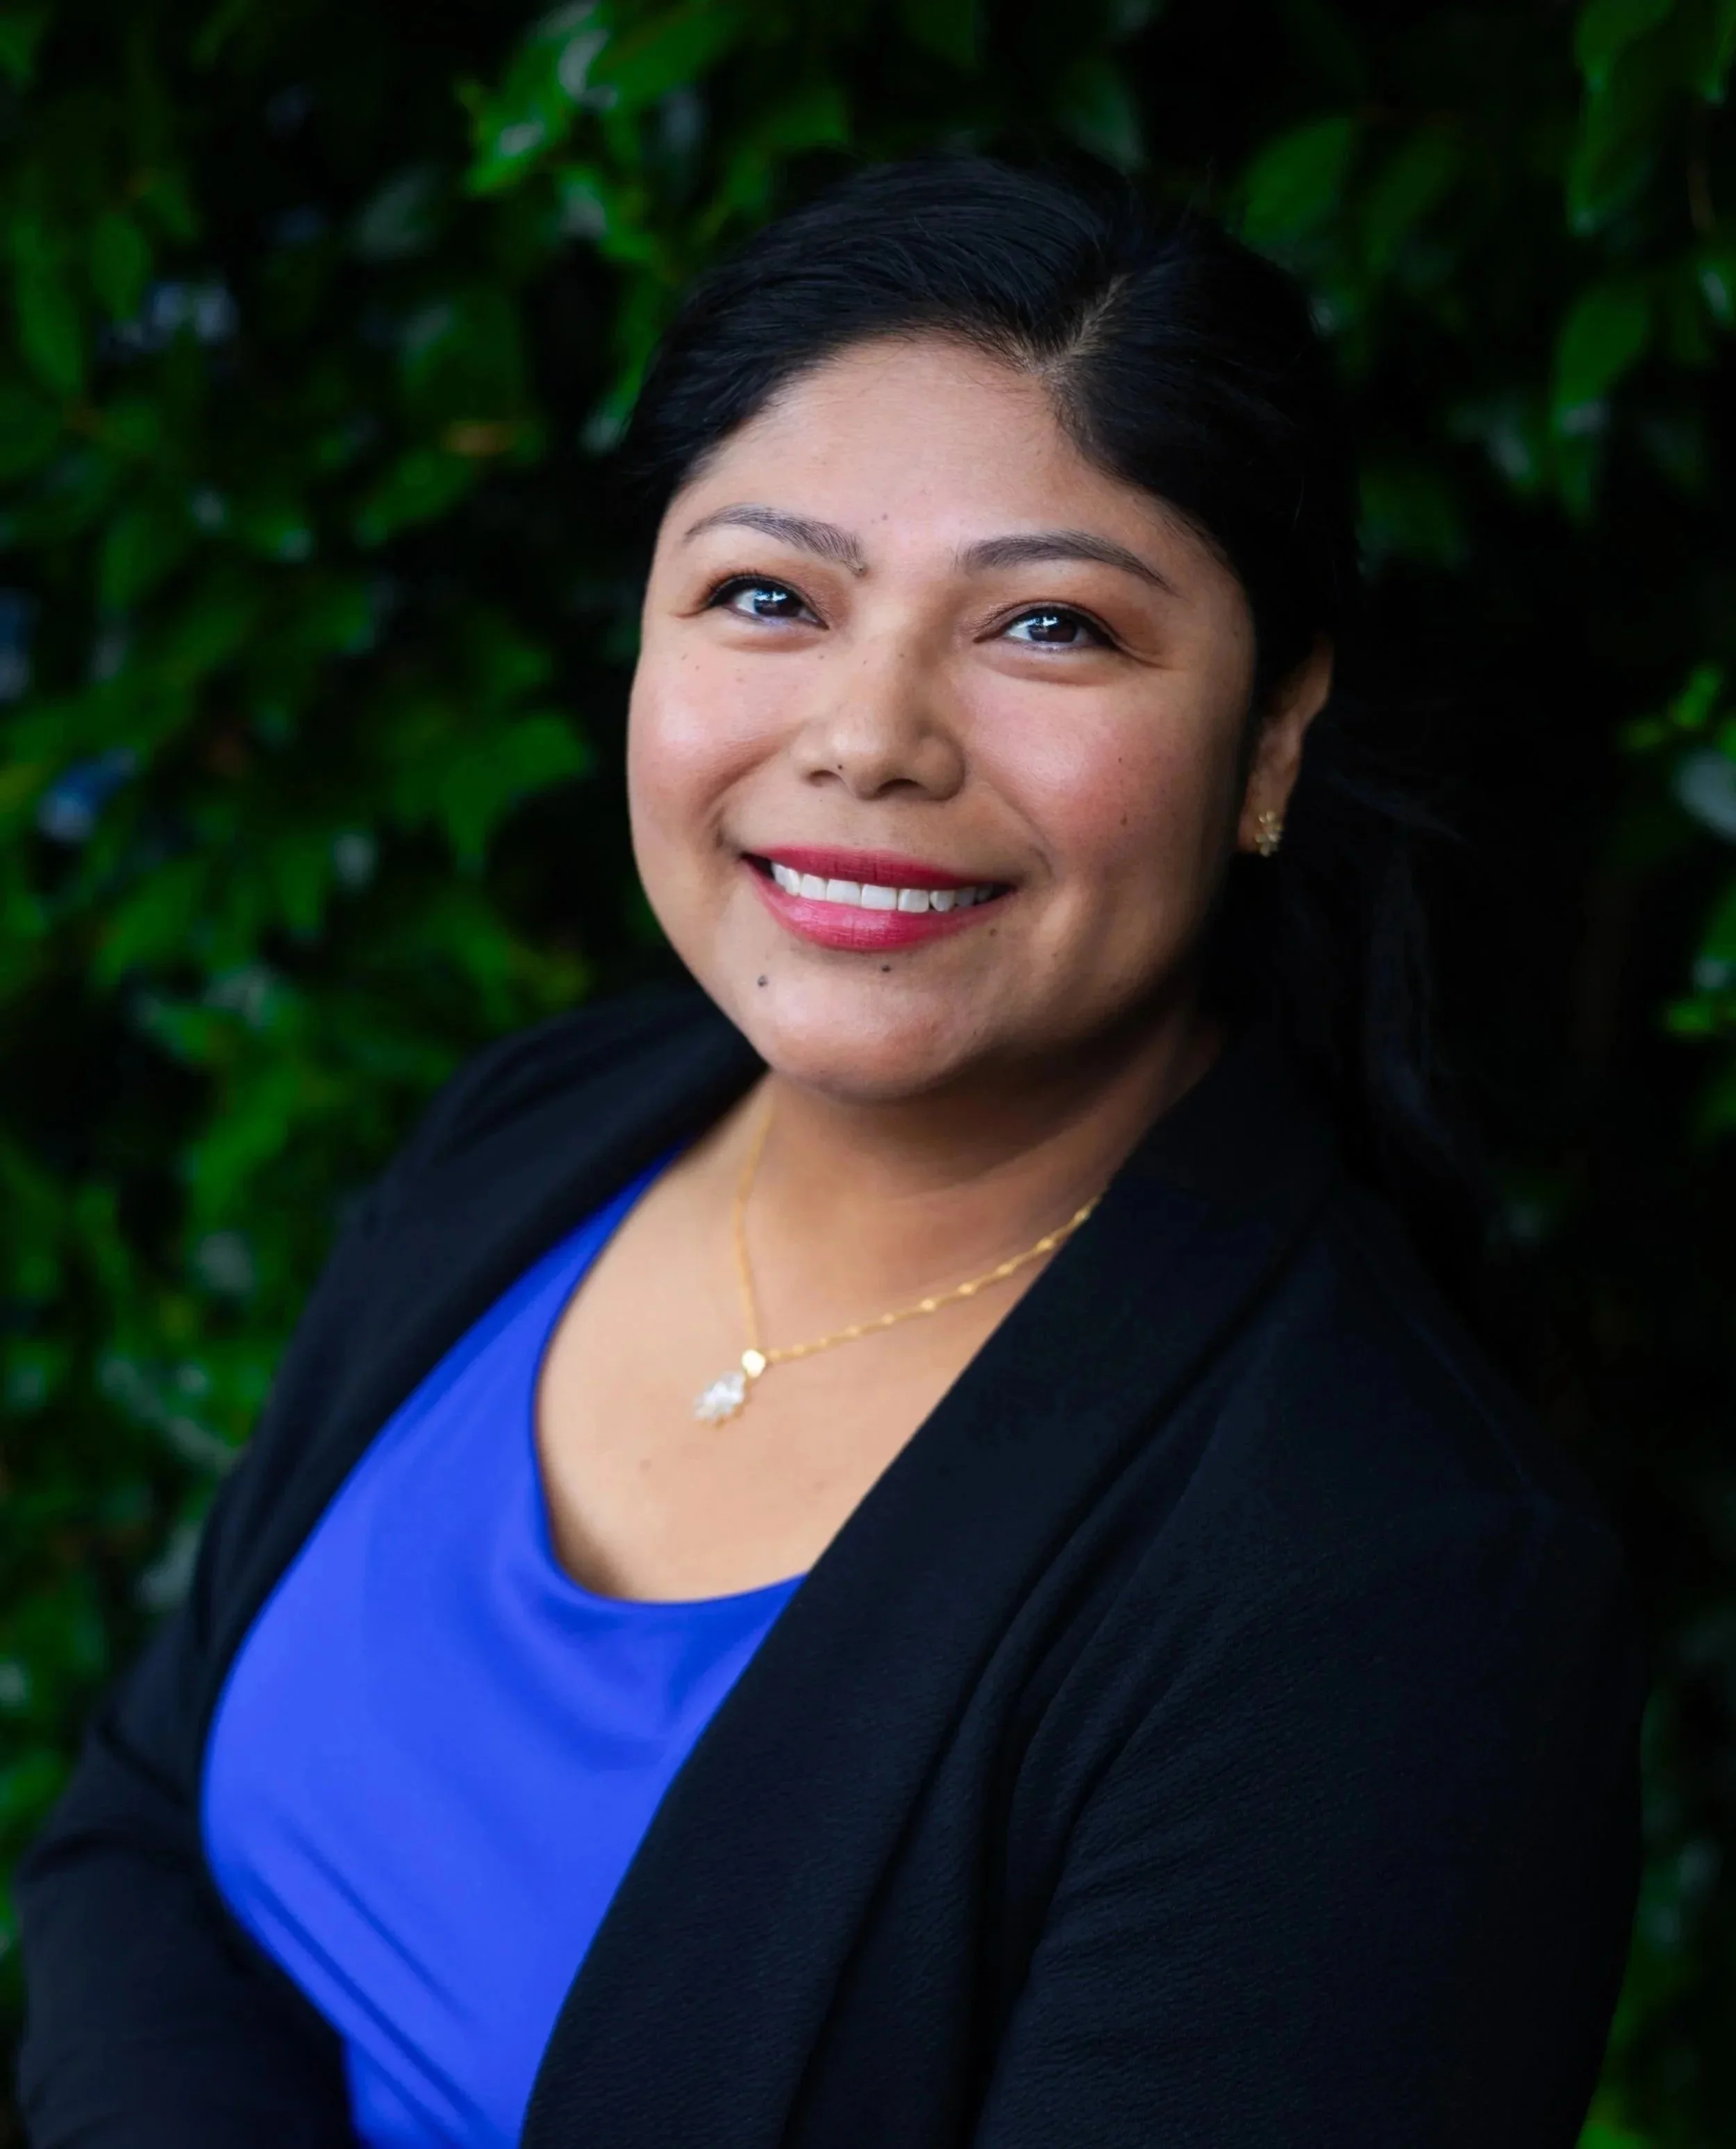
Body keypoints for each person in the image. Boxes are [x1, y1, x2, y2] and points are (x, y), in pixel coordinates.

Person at [16, 156, 1643, 2149]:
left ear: (1272, 740)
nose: (871, 737)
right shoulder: (537, 1132)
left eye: (1047, 624)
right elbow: (137, 1834)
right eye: (768, 596)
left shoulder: (1388, 1597)